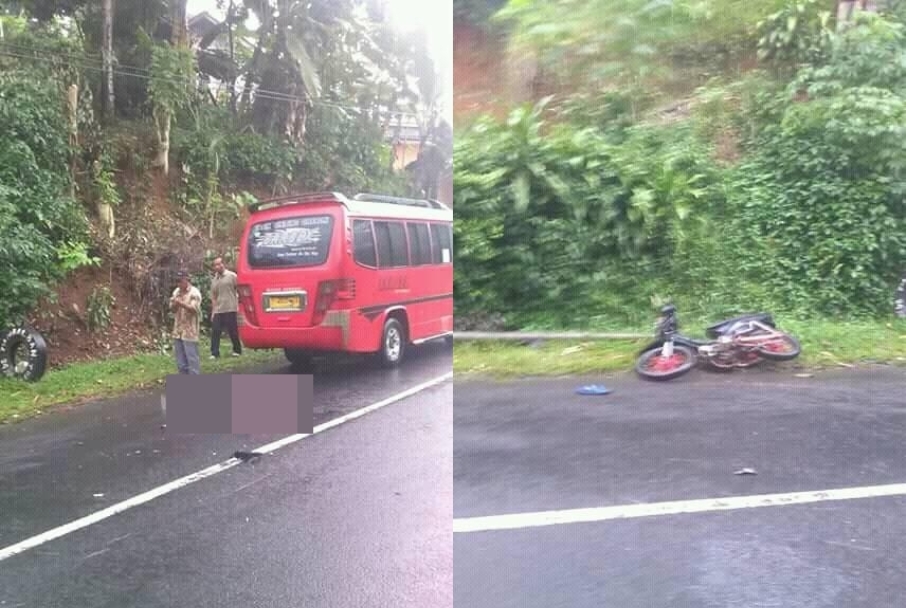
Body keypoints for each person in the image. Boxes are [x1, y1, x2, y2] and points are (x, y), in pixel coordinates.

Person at [170, 270, 202, 375]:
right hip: (178, 331)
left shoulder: (194, 293)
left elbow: (194, 309)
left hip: (190, 332)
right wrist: (174, 304)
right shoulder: (176, 292)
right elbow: (172, 309)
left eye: (180, 281)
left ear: (186, 279)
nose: (178, 283)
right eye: (177, 281)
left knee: (192, 361)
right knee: (181, 363)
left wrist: (181, 303)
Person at [210, 256, 243, 359]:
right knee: (215, 331)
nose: (218, 266)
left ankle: (237, 350)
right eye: (216, 265)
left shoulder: (232, 276)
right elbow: (214, 297)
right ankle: (214, 353)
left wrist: (239, 304)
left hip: (230, 308)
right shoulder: (214, 279)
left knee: (232, 330)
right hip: (219, 309)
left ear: (223, 264)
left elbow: (240, 290)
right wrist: (213, 311)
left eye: (219, 264)